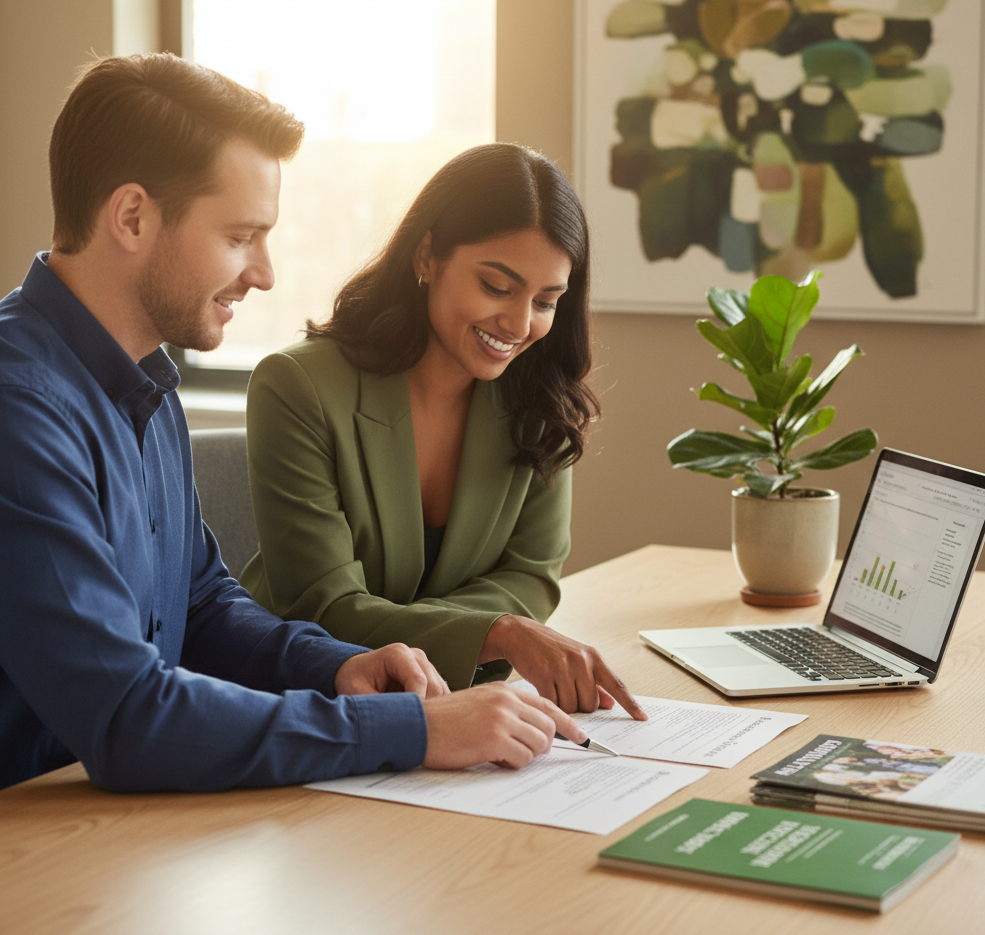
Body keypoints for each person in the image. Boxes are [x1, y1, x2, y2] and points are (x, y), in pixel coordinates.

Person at [0, 54, 590, 793]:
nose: (265, 272)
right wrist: (413, 730)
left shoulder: (143, 383)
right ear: (132, 217)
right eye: (241, 235)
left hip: (102, 822)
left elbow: (202, 606)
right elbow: (127, 715)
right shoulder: (20, 408)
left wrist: (338, 665)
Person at [240, 143, 647, 721]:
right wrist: (499, 633)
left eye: (546, 301)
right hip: (303, 706)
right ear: (426, 256)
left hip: (450, 703)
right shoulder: (296, 385)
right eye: (497, 286)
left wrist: (488, 634)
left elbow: (531, 576)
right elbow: (324, 607)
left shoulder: (539, 401)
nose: (519, 323)